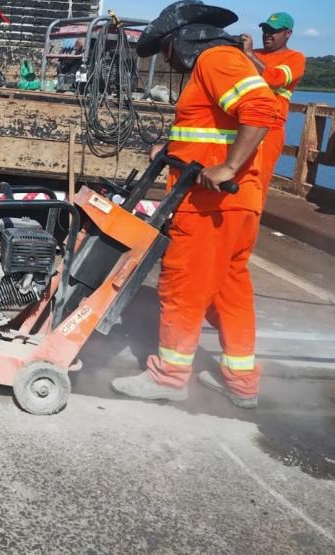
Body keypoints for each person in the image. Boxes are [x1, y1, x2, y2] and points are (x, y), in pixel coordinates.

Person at [110, 1, 281, 408]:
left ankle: (168, 378)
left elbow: (262, 108)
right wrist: (170, 148)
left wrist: (228, 167)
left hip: (211, 205)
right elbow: (211, 129)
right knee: (228, 293)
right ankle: (241, 384)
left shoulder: (216, 59)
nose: (169, 60)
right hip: (236, 206)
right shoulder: (224, 62)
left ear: (181, 39)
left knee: (182, 286)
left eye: (166, 50)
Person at [241, 13, 305, 202]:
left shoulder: (295, 58)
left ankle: (249, 223)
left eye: (274, 31)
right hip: (241, 122)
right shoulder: (253, 54)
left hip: (270, 128)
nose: (268, 34)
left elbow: (275, 79)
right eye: (266, 30)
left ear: (288, 33)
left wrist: (249, 55)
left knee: (257, 182)